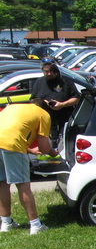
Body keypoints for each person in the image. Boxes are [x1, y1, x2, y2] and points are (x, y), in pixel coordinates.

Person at [0, 98, 58, 235]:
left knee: (2, 183)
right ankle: (36, 225)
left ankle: (6, 223)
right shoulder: (43, 114)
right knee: (23, 185)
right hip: (12, 145)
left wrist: (29, 150)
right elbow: (44, 147)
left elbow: (10, 129)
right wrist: (53, 153)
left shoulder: (13, 106)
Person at [30, 59, 80, 145]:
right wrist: (43, 102)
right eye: (46, 71)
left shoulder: (65, 81)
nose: (49, 73)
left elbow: (76, 98)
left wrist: (62, 104)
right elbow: (32, 100)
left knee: (65, 143)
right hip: (46, 119)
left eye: (51, 71)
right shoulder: (39, 82)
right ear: (43, 71)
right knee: (50, 143)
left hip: (64, 118)